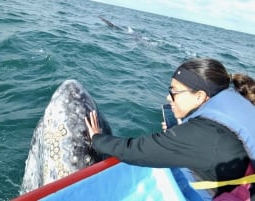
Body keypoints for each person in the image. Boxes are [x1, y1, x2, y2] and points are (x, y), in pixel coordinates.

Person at [85, 58, 255, 200]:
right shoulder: (236, 102)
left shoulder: (199, 136)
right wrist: (180, 130)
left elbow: (138, 150)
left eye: (174, 92)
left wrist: (97, 139)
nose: (168, 97)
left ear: (200, 96)